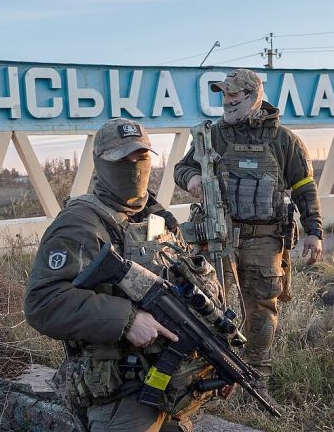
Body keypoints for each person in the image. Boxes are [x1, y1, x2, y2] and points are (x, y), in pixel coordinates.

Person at [25, 118, 216, 432]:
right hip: (120, 395)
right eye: (123, 159)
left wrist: (210, 365)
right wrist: (126, 320)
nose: (134, 166)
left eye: (140, 157)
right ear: (100, 163)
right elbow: (42, 302)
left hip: (170, 388)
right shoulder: (81, 223)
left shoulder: (157, 217)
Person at [174, 68, 323, 406]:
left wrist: (314, 231)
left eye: (233, 96)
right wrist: (192, 179)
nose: (226, 102)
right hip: (218, 237)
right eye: (223, 96)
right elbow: (181, 168)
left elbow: (304, 188)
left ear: (255, 96)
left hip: (264, 239)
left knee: (261, 310)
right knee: (211, 307)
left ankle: (256, 381)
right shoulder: (211, 136)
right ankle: (210, 380)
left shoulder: (284, 140)